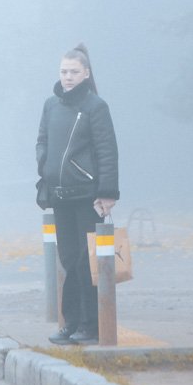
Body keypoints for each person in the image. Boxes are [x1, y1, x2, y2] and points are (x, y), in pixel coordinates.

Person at [35, 44, 119, 345]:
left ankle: (91, 324)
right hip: (59, 195)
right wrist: (44, 167)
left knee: (87, 261)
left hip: (87, 196)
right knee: (69, 259)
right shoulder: (50, 105)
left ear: (86, 73)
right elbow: (42, 140)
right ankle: (70, 323)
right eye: (63, 71)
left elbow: (107, 151)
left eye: (73, 72)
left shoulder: (96, 107)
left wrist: (107, 193)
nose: (67, 77)